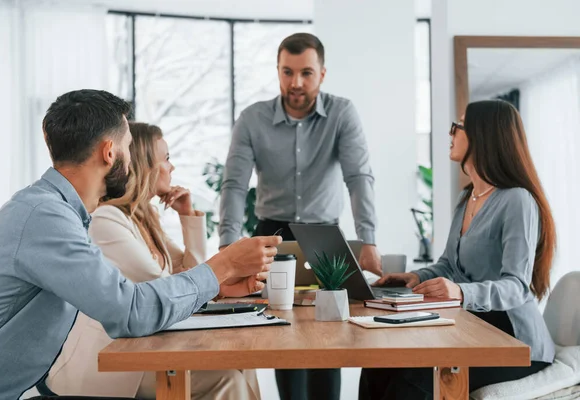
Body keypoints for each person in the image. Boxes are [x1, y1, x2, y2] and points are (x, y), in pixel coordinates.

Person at [0, 89, 281, 400]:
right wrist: (225, 264)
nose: (131, 157)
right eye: (127, 146)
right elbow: (130, 310)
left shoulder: (54, 211)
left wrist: (215, 283)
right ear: (110, 152)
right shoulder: (46, 218)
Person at [41, 122, 261, 399]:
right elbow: (165, 289)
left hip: (146, 345)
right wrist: (223, 274)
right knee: (226, 378)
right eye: (166, 159)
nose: (172, 168)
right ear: (144, 165)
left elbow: (189, 274)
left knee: (241, 365)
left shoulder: (144, 218)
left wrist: (187, 216)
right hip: (109, 361)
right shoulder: (107, 220)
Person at [219, 32, 381, 400]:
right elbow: (233, 185)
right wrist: (227, 247)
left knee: (330, 330)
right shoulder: (252, 119)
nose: (296, 83)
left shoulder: (342, 113)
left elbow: (358, 178)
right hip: (271, 235)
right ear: (277, 71)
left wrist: (368, 239)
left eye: (306, 73)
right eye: (287, 72)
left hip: (325, 234)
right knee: (283, 329)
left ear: (322, 74)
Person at [359, 100, 556, 399]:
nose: (450, 133)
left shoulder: (517, 200)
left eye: (458, 126)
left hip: (515, 340)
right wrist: (415, 277)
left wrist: (462, 293)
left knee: (413, 380)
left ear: (483, 135)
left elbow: (516, 286)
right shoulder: (468, 199)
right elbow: (449, 265)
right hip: (472, 326)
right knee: (378, 363)